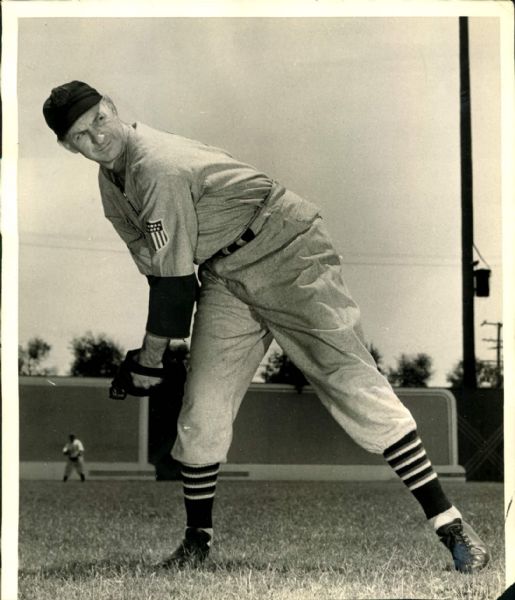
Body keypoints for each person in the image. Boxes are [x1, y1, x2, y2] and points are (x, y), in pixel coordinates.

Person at [43, 80, 489, 572]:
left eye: (99, 121)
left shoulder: (156, 166)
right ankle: (197, 543)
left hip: (288, 250)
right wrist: (150, 357)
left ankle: (450, 526)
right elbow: (158, 268)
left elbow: (172, 289)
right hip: (225, 273)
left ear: (113, 108)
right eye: (82, 135)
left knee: (352, 385)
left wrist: (149, 362)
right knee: (201, 411)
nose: (97, 137)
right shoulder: (113, 187)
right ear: (68, 146)